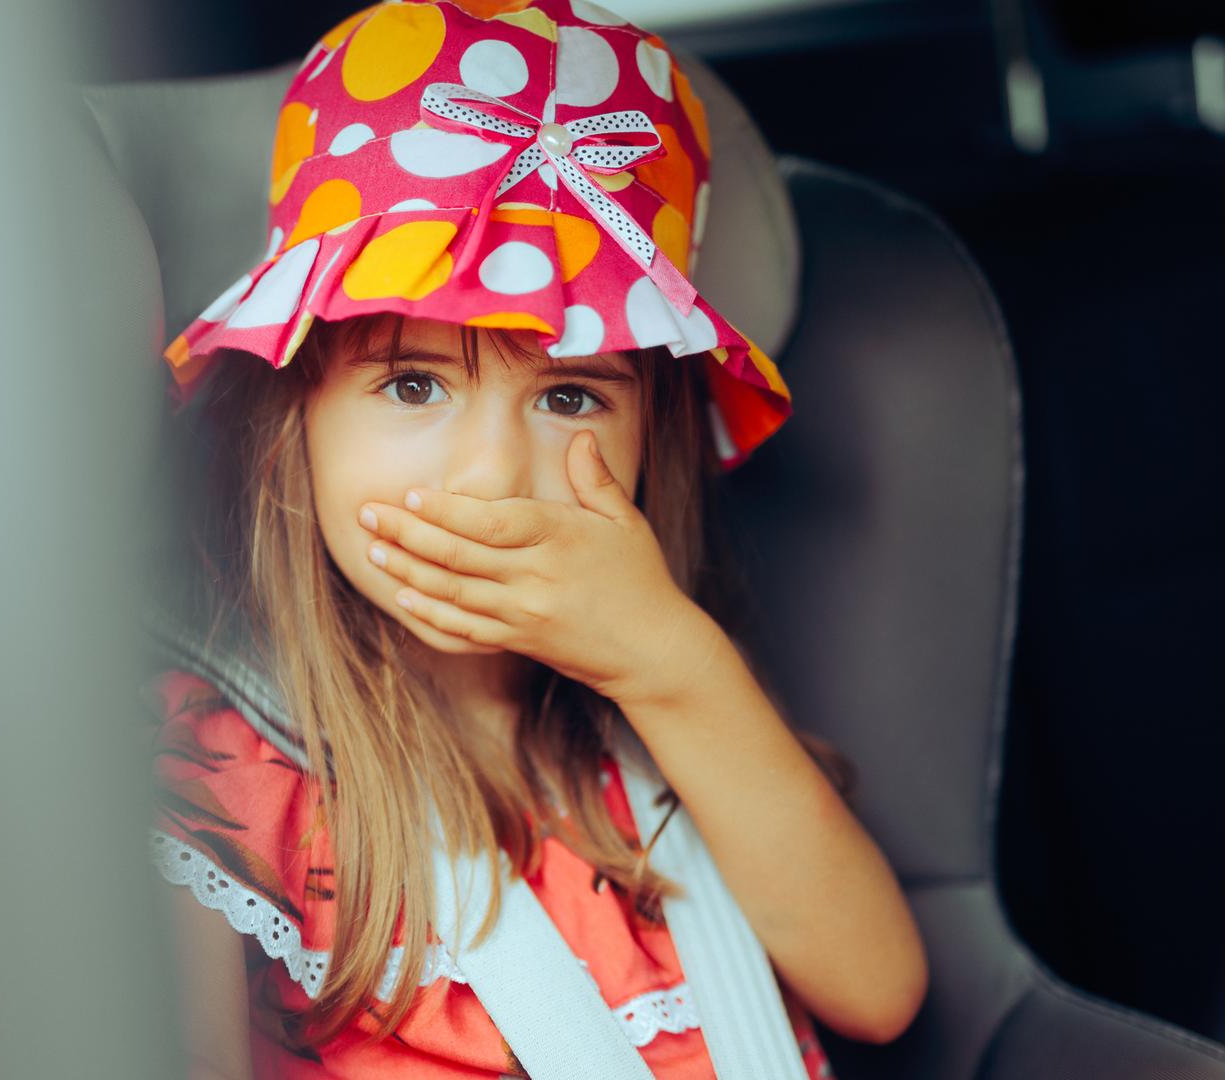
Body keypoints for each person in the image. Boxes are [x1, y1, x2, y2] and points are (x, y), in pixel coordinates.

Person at [147, 2, 928, 1076]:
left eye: (569, 396)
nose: (491, 476)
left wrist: (671, 666)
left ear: (651, 436)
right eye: (412, 384)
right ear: (294, 423)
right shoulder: (214, 782)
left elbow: (880, 992)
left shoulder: (665, 715)